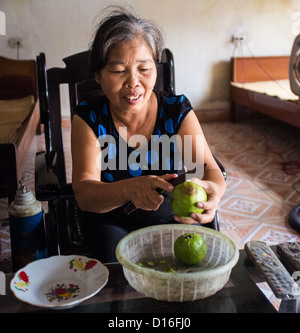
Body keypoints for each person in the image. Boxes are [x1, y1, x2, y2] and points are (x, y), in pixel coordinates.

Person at [71, 7, 226, 262]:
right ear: (98, 76)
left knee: (196, 263)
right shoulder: (89, 117)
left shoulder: (176, 112)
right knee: (112, 262)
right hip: (112, 221)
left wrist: (214, 193)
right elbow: (85, 194)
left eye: (144, 69)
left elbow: (208, 170)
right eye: (118, 71)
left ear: (156, 68)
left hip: (172, 219)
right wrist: (130, 189)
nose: (133, 82)